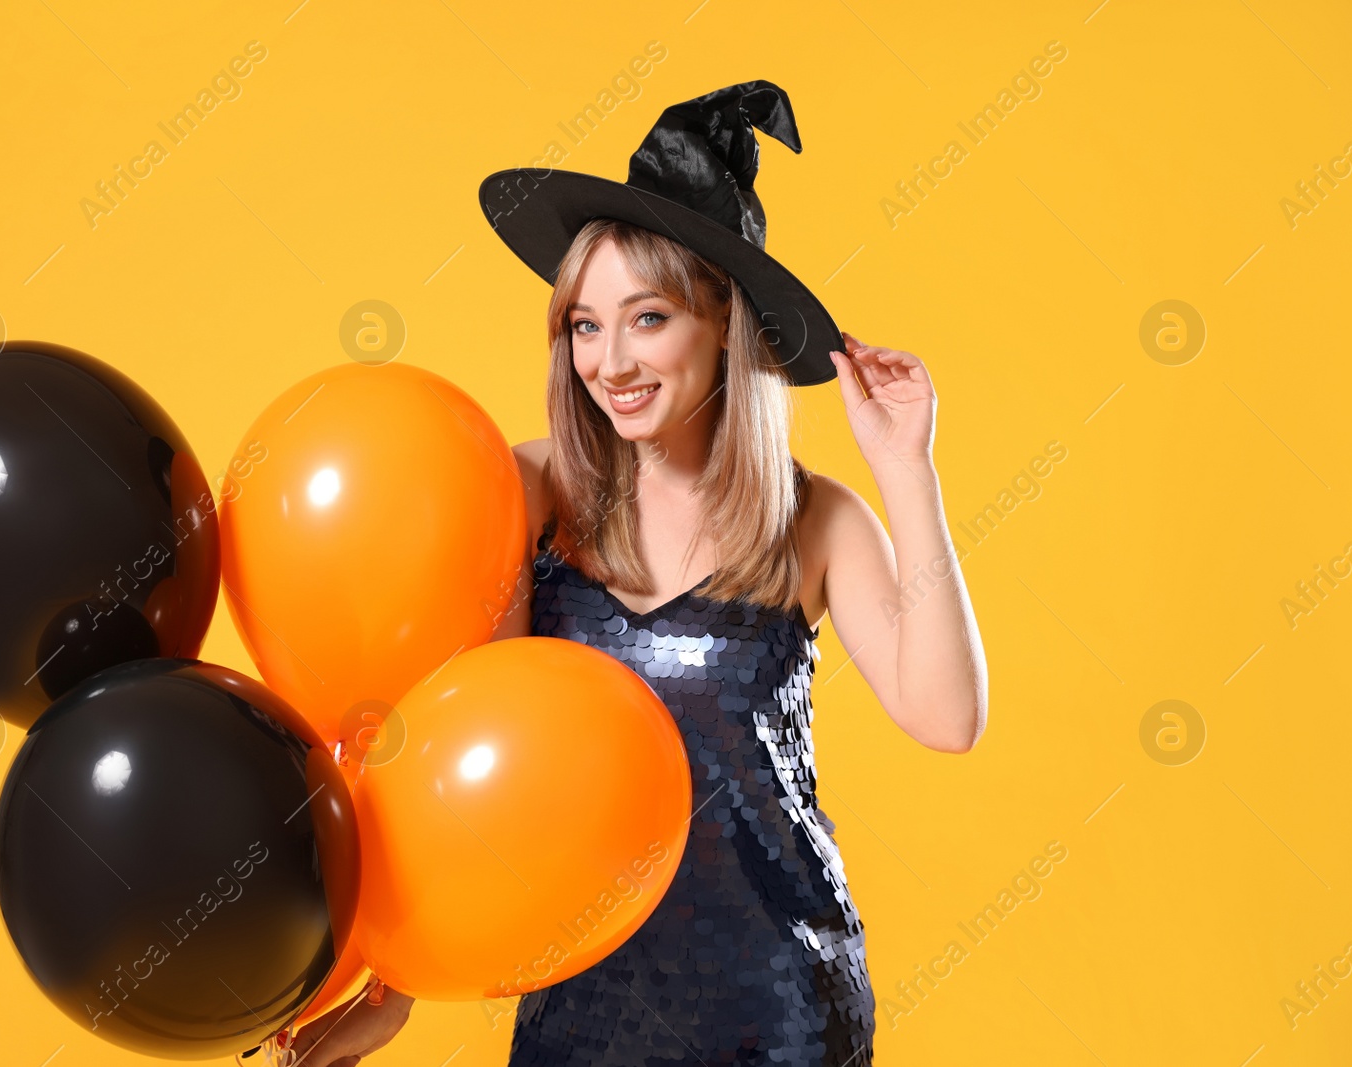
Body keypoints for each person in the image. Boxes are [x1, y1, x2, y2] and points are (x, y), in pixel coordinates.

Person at [280, 80, 986, 1067]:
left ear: (723, 326)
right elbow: (445, 751)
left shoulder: (813, 519)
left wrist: (905, 465)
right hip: (582, 1016)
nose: (608, 360)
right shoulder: (520, 491)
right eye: (583, 324)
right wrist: (393, 984)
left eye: (646, 318)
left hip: (782, 1007)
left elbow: (947, 716)